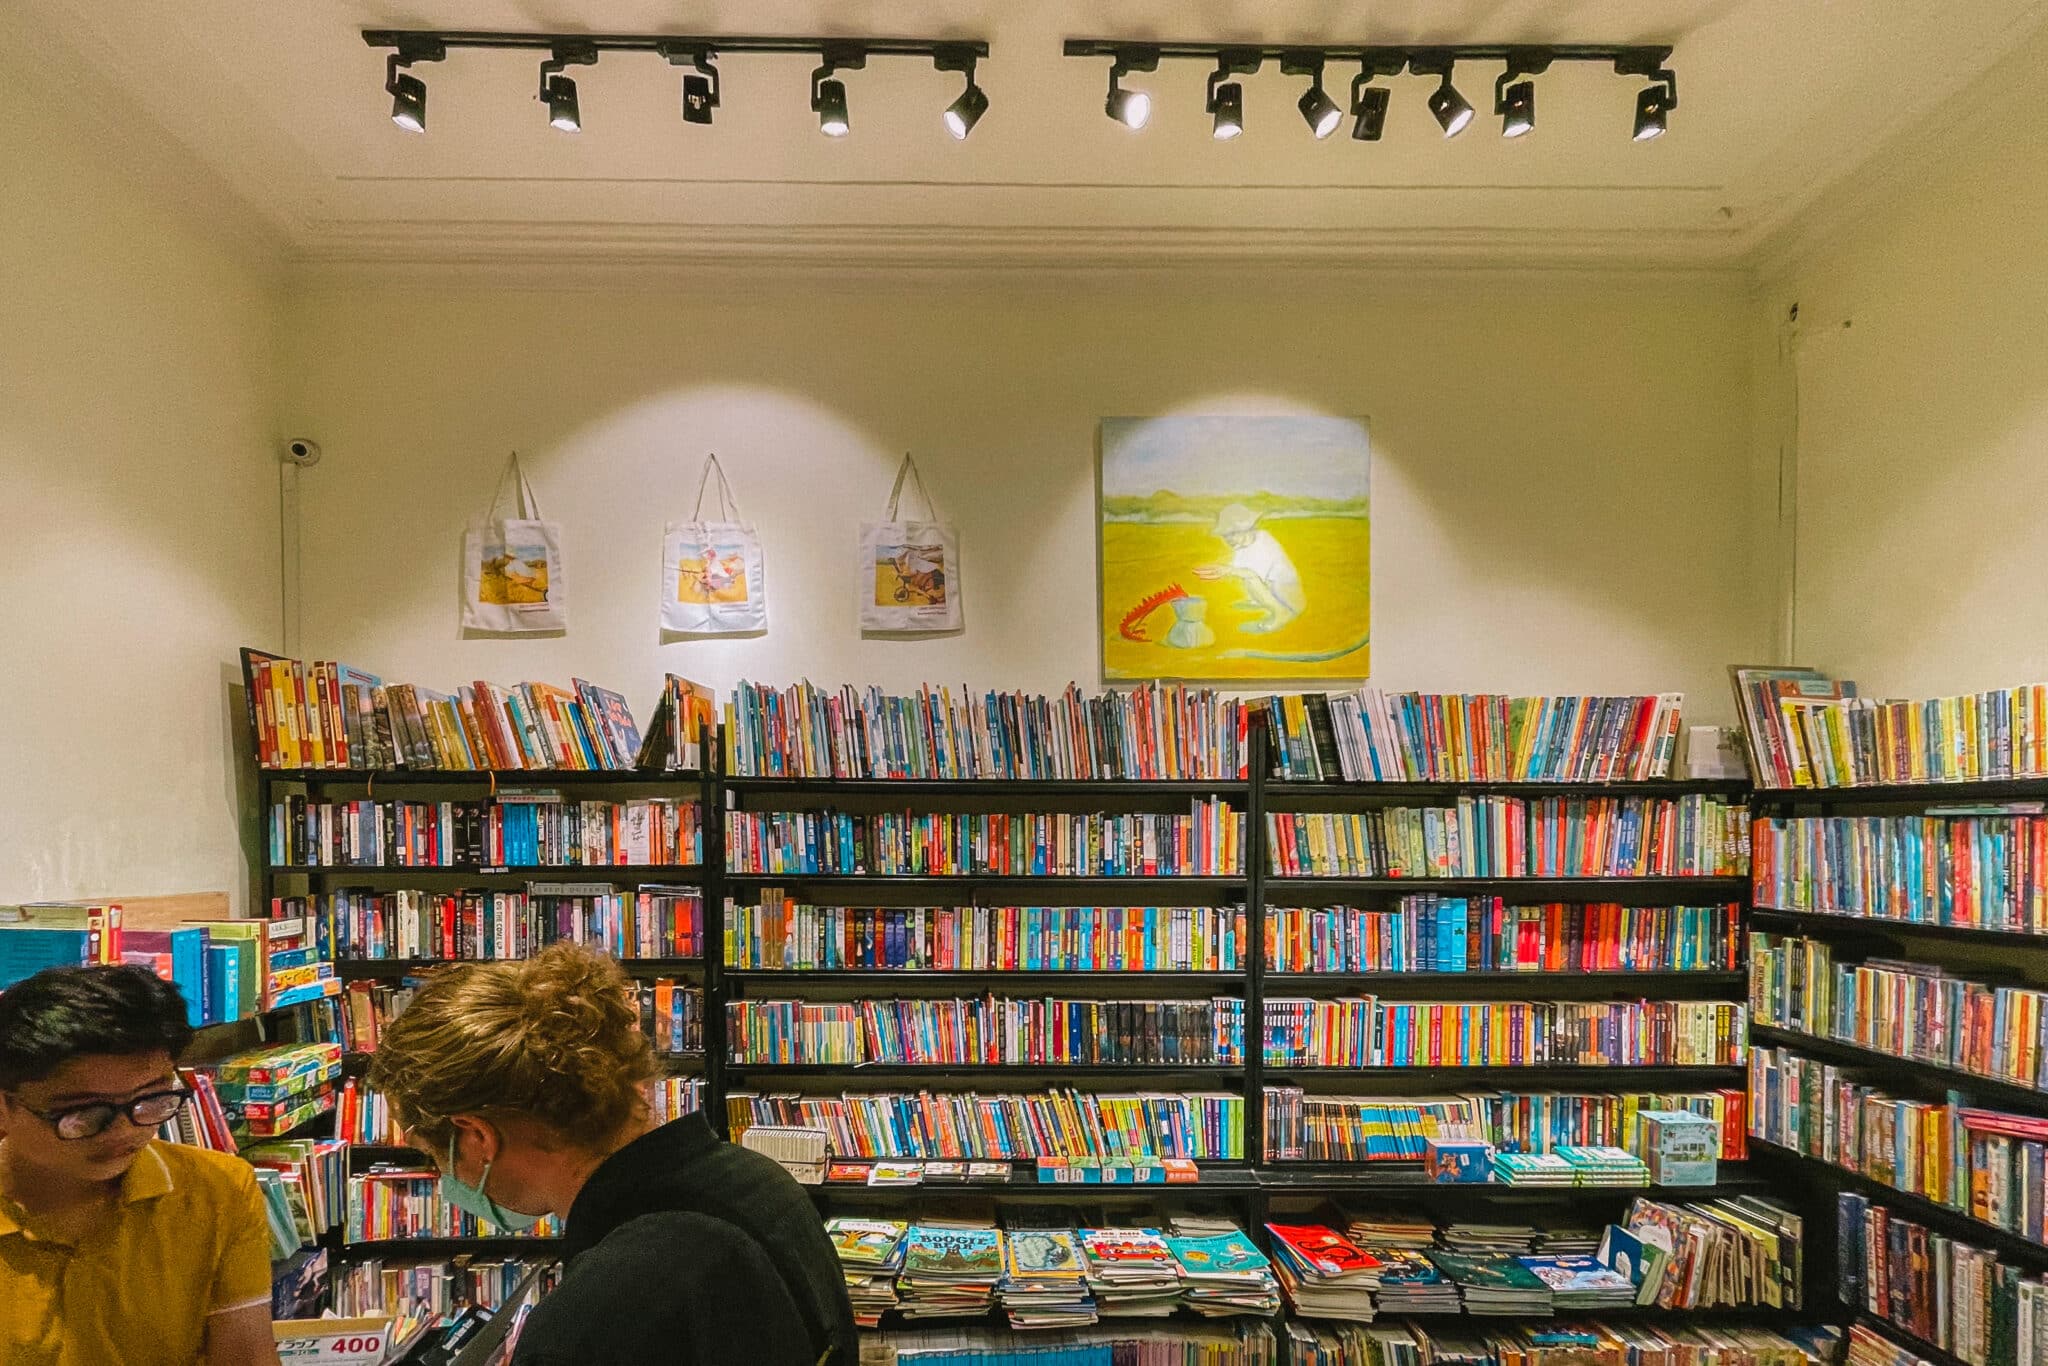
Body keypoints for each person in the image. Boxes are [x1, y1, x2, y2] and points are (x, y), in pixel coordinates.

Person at [368, 943, 857, 1366]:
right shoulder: (759, 1181)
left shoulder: (586, 1326)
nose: (447, 1176)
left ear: (477, 1135)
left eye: (437, 1154)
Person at [0, 964, 280, 1366]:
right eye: (83, 1113)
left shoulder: (219, 1189)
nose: (123, 1132)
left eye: (150, 1099)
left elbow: (246, 1356)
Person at [1193, 502, 1304, 633]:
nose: (1228, 539)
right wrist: (1224, 570)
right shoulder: (1243, 544)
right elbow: (1239, 567)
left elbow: (1252, 573)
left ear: (1247, 528)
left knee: (1250, 578)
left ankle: (1282, 612)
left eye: (1233, 533)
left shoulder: (1262, 542)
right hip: (1275, 586)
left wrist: (1229, 570)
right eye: (1225, 535)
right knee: (1247, 577)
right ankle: (1263, 601)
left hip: (1287, 590)